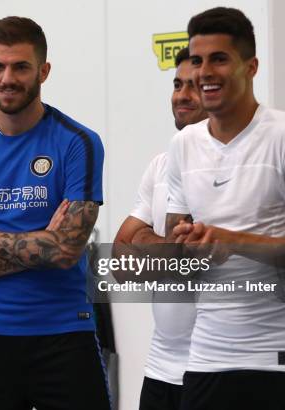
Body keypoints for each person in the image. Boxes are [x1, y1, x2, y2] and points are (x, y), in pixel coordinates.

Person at [0, 16, 111, 410]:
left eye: (20, 67)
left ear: (43, 71)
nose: (7, 78)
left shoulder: (79, 142)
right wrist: (39, 247)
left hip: (64, 335)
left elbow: (65, 252)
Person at [164, 7, 285, 410]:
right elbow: (176, 249)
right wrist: (180, 245)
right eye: (197, 60)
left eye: (219, 59)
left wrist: (236, 242)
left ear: (251, 66)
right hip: (207, 358)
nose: (205, 71)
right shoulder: (183, 145)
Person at [113, 47, 206, 410]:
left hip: (218, 368)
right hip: (161, 367)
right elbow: (120, 259)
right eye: (178, 84)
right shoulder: (160, 166)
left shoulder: (235, 170)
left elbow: (199, 259)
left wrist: (147, 241)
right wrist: (171, 245)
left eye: (195, 86)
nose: (182, 95)